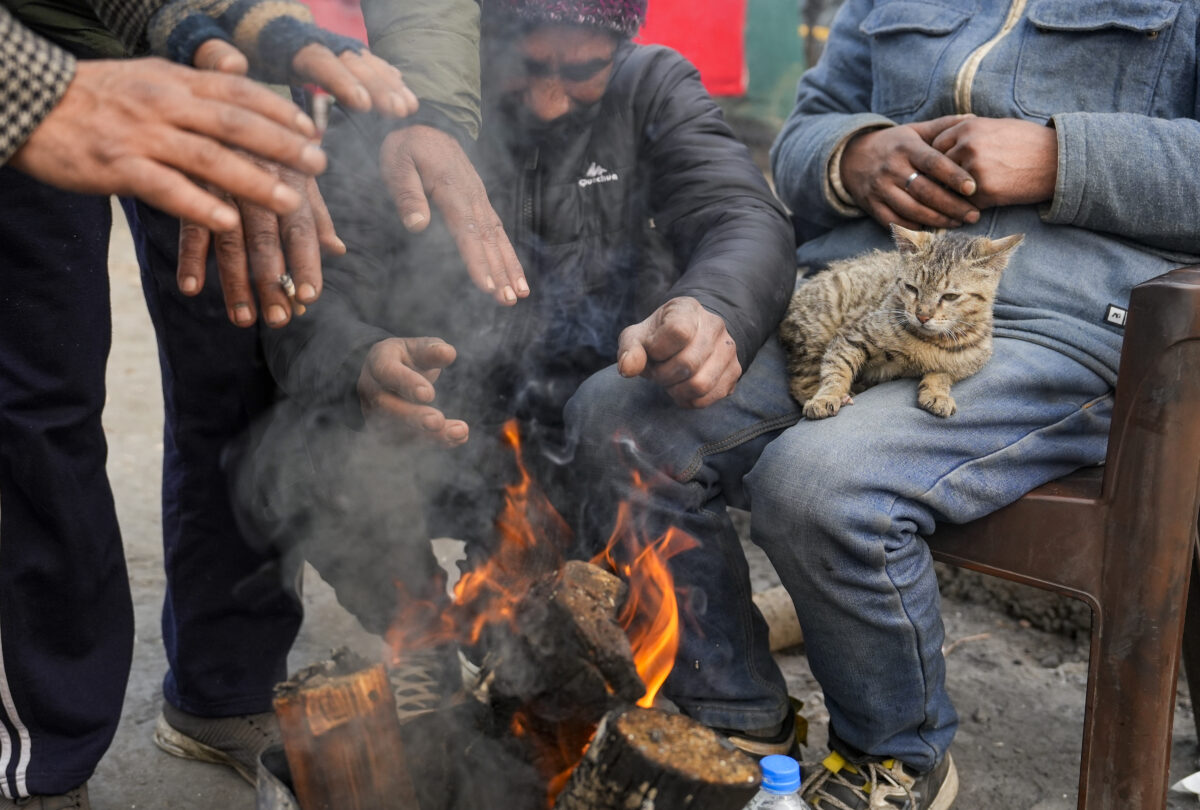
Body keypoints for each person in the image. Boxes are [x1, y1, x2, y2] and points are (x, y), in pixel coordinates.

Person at [563, 0, 1200, 807]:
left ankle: (894, 756)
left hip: (1057, 324)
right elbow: (800, 137)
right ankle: (738, 717)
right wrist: (853, 155)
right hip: (853, 293)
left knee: (818, 483)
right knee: (616, 420)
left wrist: (1062, 157)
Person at [0, 0, 505, 807]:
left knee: (241, 355)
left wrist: (430, 110)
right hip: (26, 38)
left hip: (220, 34)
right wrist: (38, 89)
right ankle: (43, 746)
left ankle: (224, 690)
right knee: (33, 398)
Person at [238, 0, 794, 672]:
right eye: (527, 68)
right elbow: (315, 287)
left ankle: (624, 661)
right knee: (301, 454)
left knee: (571, 662)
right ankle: (424, 646)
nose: (551, 103)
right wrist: (362, 359)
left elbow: (740, 217)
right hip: (453, 430)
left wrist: (712, 307)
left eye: (583, 70)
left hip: (597, 437)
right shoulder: (406, 105)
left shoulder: (652, 88)